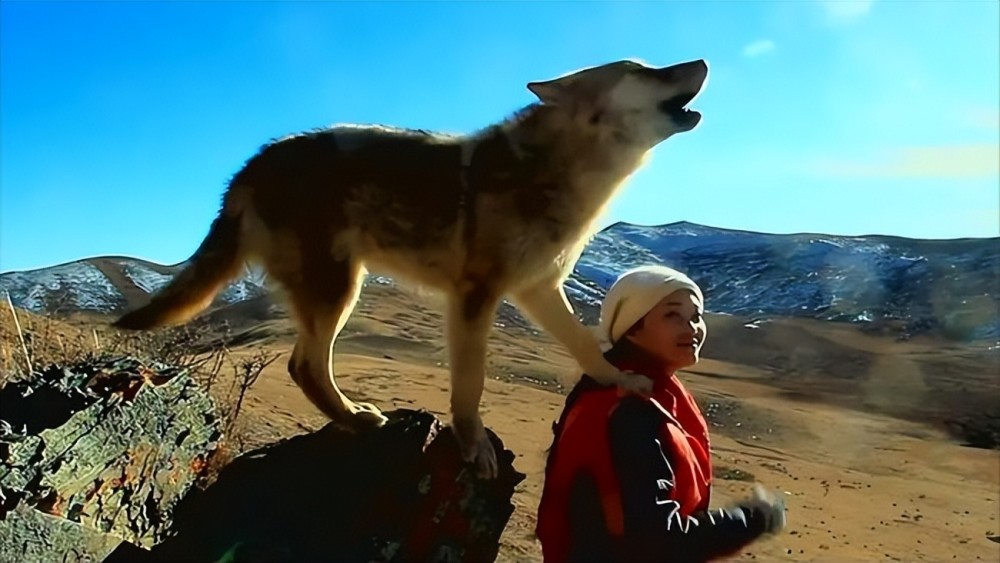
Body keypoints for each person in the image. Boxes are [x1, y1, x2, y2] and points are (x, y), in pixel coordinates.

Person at [535, 264, 786, 562]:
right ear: (632, 327)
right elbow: (657, 540)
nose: (691, 327)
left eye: (696, 317)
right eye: (672, 315)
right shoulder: (630, 410)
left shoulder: (622, 391)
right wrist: (752, 519)